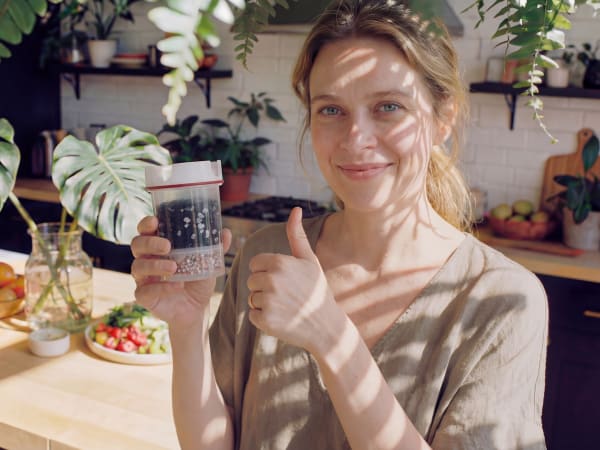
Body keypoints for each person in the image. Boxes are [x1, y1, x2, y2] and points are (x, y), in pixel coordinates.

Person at [131, 0, 548, 448]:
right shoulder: (267, 257)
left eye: (388, 106)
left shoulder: (502, 301)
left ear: (442, 118)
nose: (356, 139)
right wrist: (187, 327)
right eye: (331, 110)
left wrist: (331, 337)